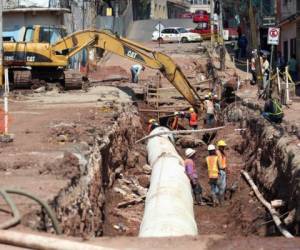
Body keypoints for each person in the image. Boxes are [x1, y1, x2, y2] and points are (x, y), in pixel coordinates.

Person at [216, 140, 228, 205]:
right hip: (220, 171)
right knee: (221, 186)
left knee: (223, 186)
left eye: (224, 146)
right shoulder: (218, 153)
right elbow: (218, 163)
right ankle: (220, 201)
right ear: (219, 146)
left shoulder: (222, 152)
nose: (223, 147)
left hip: (223, 170)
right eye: (222, 146)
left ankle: (220, 200)